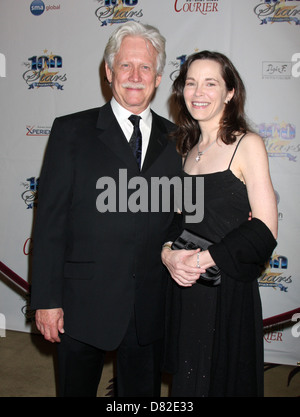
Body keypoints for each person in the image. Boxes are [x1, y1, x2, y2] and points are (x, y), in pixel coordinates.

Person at [30, 22, 182, 397]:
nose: (135, 76)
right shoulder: (71, 132)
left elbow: (183, 217)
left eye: (145, 67)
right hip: (81, 307)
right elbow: (49, 223)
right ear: (108, 71)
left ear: (159, 77)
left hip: (149, 308)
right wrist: (47, 301)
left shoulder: (178, 139)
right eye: (125, 65)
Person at [161, 51, 278, 397]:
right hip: (186, 287)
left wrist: (201, 260)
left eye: (211, 83)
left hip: (225, 289)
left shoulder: (247, 145)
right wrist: (168, 254)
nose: (199, 92)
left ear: (230, 92)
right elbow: (178, 222)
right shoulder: (187, 149)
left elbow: (265, 230)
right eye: (191, 83)